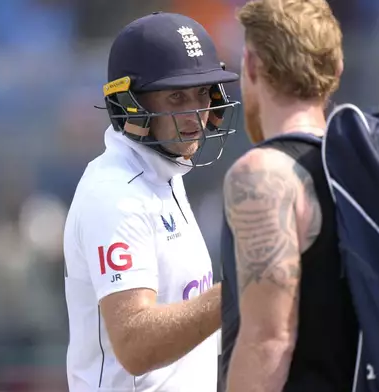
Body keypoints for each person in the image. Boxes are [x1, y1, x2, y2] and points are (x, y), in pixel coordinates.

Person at [63, 11, 240, 392]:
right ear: (132, 104)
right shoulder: (115, 193)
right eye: (176, 96)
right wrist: (241, 290)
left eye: (201, 92)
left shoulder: (163, 174)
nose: (196, 112)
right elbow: (136, 344)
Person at [221, 0, 359, 391]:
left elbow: (269, 340)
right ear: (336, 70)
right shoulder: (371, 168)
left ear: (250, 65)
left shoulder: (263, 175)